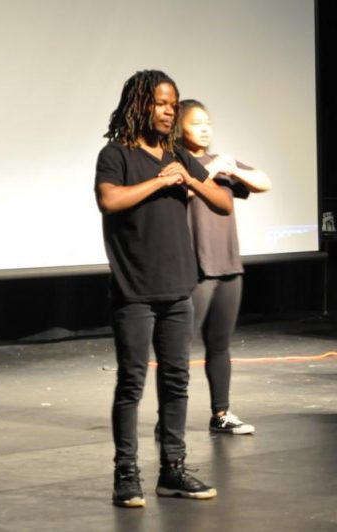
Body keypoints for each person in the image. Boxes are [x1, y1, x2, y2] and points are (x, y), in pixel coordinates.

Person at [95, 70, 232, 507]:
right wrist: (160, 180)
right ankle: (126, 475)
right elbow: (109, 200)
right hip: (134, 289)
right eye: (161, 102)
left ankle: (172, 469)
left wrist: (189, 179)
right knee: (131, 384)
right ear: (140, 105)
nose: (170, 110)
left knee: (176, 382)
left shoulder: (177, 155)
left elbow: (223, 203)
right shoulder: (115, 154)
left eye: (173, 103)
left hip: (178, 288)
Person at [178, 99, 271, 435]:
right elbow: (179, 194)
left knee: (220, 344)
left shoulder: (221, 165)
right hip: (195, 269)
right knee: (178, 347)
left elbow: (264, 182)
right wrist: (213, 169)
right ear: (179, 127)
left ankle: (221, 413)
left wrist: (235, 170)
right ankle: (169, 420)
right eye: (196, 123)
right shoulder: (178, 162)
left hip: (228, 265)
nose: (204, 128)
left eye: (208, 122)